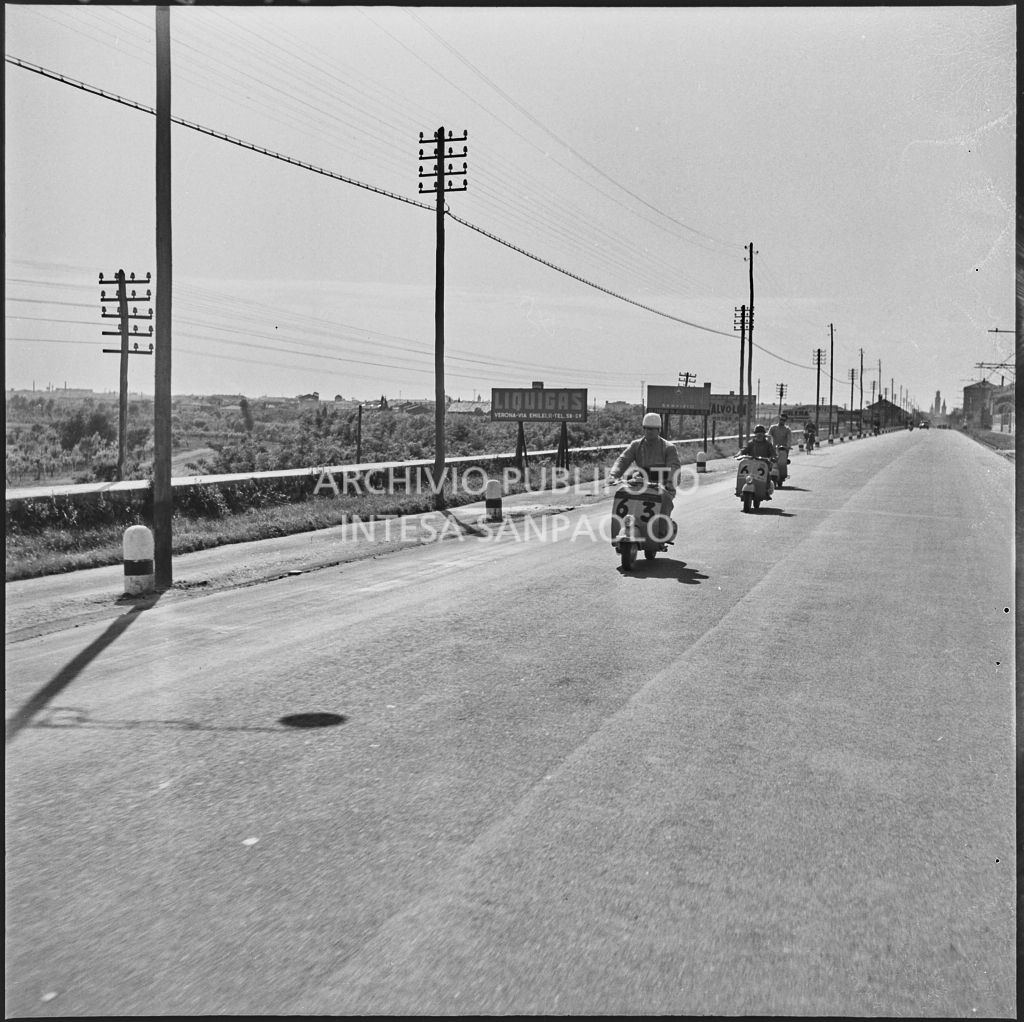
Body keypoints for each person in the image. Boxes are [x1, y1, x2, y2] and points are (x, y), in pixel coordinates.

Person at [608, 412, 681, 535]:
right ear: (643, 429)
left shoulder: (669, 448)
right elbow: (623, 459)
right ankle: (623, 527)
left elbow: (674, 467)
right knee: (624, 493)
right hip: (641, 482)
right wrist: (613, 475)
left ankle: (661, 532)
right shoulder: (636, 445)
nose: (649, 431)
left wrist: (670, 483)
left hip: (662, 484)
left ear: (659, 430)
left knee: (663, 499)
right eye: (647, 428)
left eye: (652, 429)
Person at [767, 413, 793, 485]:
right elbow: (768, 436)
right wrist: (767, 444)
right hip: (773, 449)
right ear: (779, 419)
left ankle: (782, 476)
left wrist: (787, 446)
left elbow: (789, 439)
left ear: (785, 421)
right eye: (781, 419)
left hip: (783, 450)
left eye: (784, 420)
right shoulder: (773, 428)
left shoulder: (787, 429)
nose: (782, 421)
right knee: (768, 462)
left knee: (782, 463)